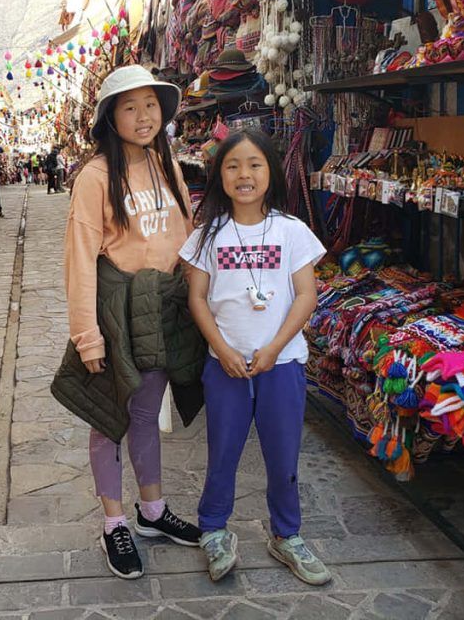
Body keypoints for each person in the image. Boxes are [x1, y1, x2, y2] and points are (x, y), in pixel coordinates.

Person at [52, 64, 205, 581]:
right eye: (130, 106)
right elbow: (79, 258)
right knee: (108, 419)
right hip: (116, 313)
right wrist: (86, 335)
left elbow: (187, 238)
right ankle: (113, 521)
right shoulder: (95, 177)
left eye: (151, 105)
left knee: (145, 416)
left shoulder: (170, 165)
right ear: (110, 118)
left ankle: (153, 513)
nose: (143, 116)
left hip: (160, 310)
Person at [178, 129, 331, 587]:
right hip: (224, 366)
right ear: (220, 174)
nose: (244, 174)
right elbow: (197, 300)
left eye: (255, 164)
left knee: (283, 453)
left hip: (281, 365)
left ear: (271, 171)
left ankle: (287, 535)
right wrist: (222, 350)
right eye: (233, 165)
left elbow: (306, 295)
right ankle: (214, 530)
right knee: (222, 450)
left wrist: (275, 347)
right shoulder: (206, 236)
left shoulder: (292, 231)